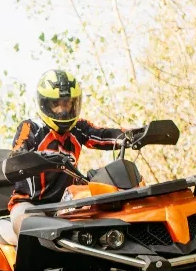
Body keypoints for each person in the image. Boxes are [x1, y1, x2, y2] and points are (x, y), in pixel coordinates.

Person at [7, 69, 134, 234]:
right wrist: (20, 156)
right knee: (33, 228)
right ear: (45, 104)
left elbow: (103, 135)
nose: (62, 110)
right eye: (56, 104)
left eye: (66, 103)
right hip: (29, 205)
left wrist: (138, 134)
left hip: (68, 203)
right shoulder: (31, 127)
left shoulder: (78, 128)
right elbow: (19, 148)